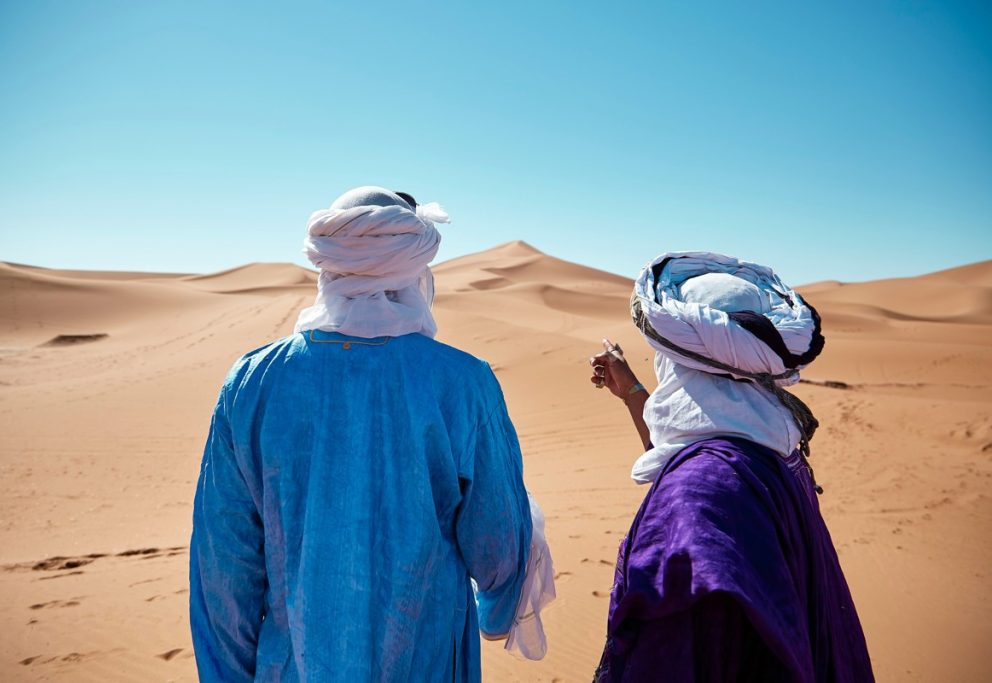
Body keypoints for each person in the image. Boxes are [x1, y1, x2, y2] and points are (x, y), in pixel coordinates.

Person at [189, 186, 553, 682]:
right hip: (423, 664)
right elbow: (498, 545)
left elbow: (224, 569)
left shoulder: (253, 381)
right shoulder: (463, 382)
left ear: (328, 266)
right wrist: (497, 606)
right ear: (414, 271)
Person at [589, 252, 874, 682]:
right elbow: (698, 451)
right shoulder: (771, 446)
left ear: (677, 359)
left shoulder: (700, 491)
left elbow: (676, 654)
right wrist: (630, 390)